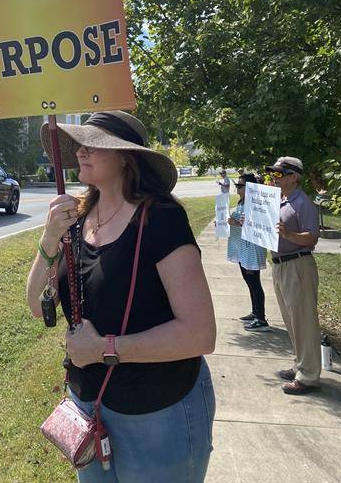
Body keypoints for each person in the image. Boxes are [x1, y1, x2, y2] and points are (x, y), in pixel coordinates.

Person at [27, 111, 216, 483]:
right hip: (88, 407)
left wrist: (103, 349)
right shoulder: (75, 219)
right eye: (79, 143)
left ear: (127, 157)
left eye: (94, 144)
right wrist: (49, 240)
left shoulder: (161, 220)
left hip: (158, 410)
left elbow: (200, 334)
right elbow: (37, 305)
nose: (81, 151)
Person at [265, 156, 321, 395]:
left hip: (297, 266)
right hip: (281, 265)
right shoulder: (283, 200)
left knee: (303, 321)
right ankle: (300, 364)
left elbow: (312, 238)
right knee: (291, 320)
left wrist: (289, 235)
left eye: (279, 174)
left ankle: (308, 375)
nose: (274, 178)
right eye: (274, 174)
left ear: (293, 177)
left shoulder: (302, 202)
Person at [226, 173, 269, 331]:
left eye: (240, 186)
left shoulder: (256, 204)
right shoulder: (242, 202)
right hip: (243, 247)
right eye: (236, 185)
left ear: (249, 187)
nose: (237, 188)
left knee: (254, 283)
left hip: (252, 248)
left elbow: (256, 226)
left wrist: (236, 223)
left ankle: (261, 319)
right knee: (249, 282)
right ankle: (255, 312)